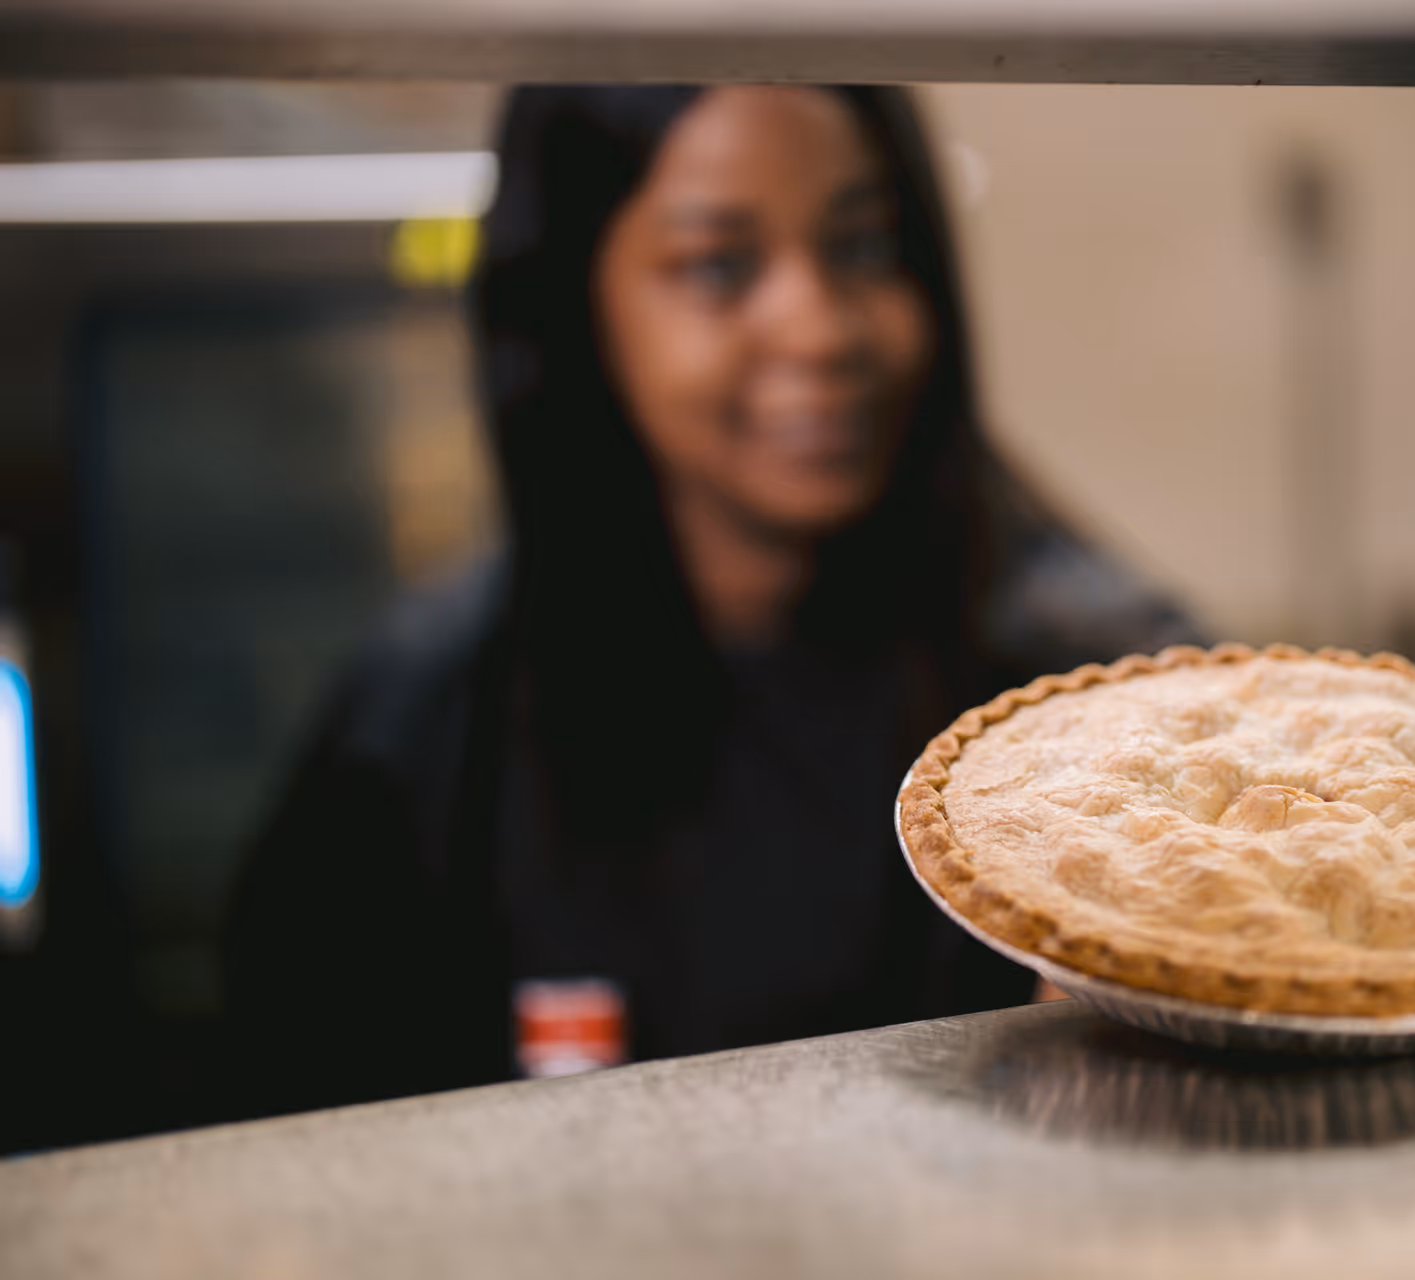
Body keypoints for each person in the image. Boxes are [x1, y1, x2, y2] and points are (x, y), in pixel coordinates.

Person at [222, 84, 1198, 1119]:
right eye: (720, 267)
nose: (818, 328)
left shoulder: (1082, 698)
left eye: (863, 248)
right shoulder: (418, 739)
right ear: (572, 296)